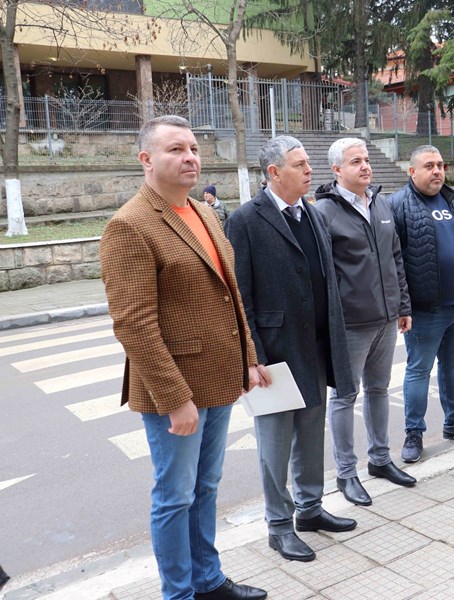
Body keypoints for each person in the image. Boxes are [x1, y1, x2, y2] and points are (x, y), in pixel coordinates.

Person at [99, 116, 266, 600]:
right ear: (146, 160)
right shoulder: (129, 225)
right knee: (174, 496)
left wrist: (248, 359)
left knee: (206, 486)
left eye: (193, 148)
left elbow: (231, 294)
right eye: (175, 149)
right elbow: (134, 324)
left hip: (219, 377)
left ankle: (207, 580)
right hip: (176, 391)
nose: (190, 157)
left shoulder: (205, 213)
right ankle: (179, 593)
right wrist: (175, 399)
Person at [224, 136, 357, 563]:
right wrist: (253, 357)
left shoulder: (312, 213)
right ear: (274, 172)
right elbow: (239, 296)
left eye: (307, 163)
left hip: (315, 345)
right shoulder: (246, 220)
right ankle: (279, 526)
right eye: (299, 164)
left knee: (311, 434)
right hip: (275, 354)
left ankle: (310, 509)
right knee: (276, 445)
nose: (309, 170)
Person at [313, 137, 415, 506]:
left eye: (367, 159)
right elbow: (321, 273)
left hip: (387, 318)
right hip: (351, 323)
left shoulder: (380, 203)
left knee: (379, 390)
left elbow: (395, 257)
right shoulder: (324, 212)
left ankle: (380, 459)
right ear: (337, 169)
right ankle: (346, 472)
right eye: (356, 161)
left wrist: (403, 306)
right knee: (344, 396)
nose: (365, 166)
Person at [388, 145, 454, 463]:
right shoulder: (398, 204)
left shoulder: (453, 200)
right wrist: (403, 306)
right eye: (429, 165)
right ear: (412, 171)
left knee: (453, 366)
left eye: (441, 165)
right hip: (425, 309)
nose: (437, 171)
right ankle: (414, 433)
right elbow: (394, 261)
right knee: (419, 370)